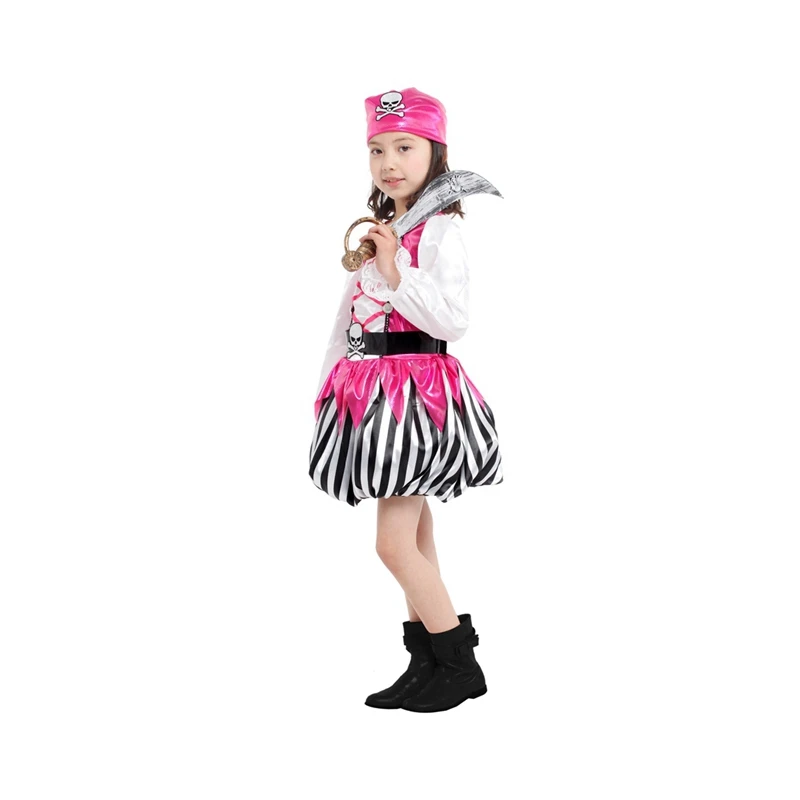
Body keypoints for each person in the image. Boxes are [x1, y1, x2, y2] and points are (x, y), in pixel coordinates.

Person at [308, 87, 503, 713]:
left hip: (416, 397)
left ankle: (460, 664)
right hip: (372, 390)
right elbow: (352, 320)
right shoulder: (389, 230)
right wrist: (328, 384)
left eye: (404, 147)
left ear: (435, 151)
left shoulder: (440, 230)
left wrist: (396, 270)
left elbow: (452, 320)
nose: (388, 162)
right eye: (376, 149)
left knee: (391, 545)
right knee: (416, 537)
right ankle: (426, 662)